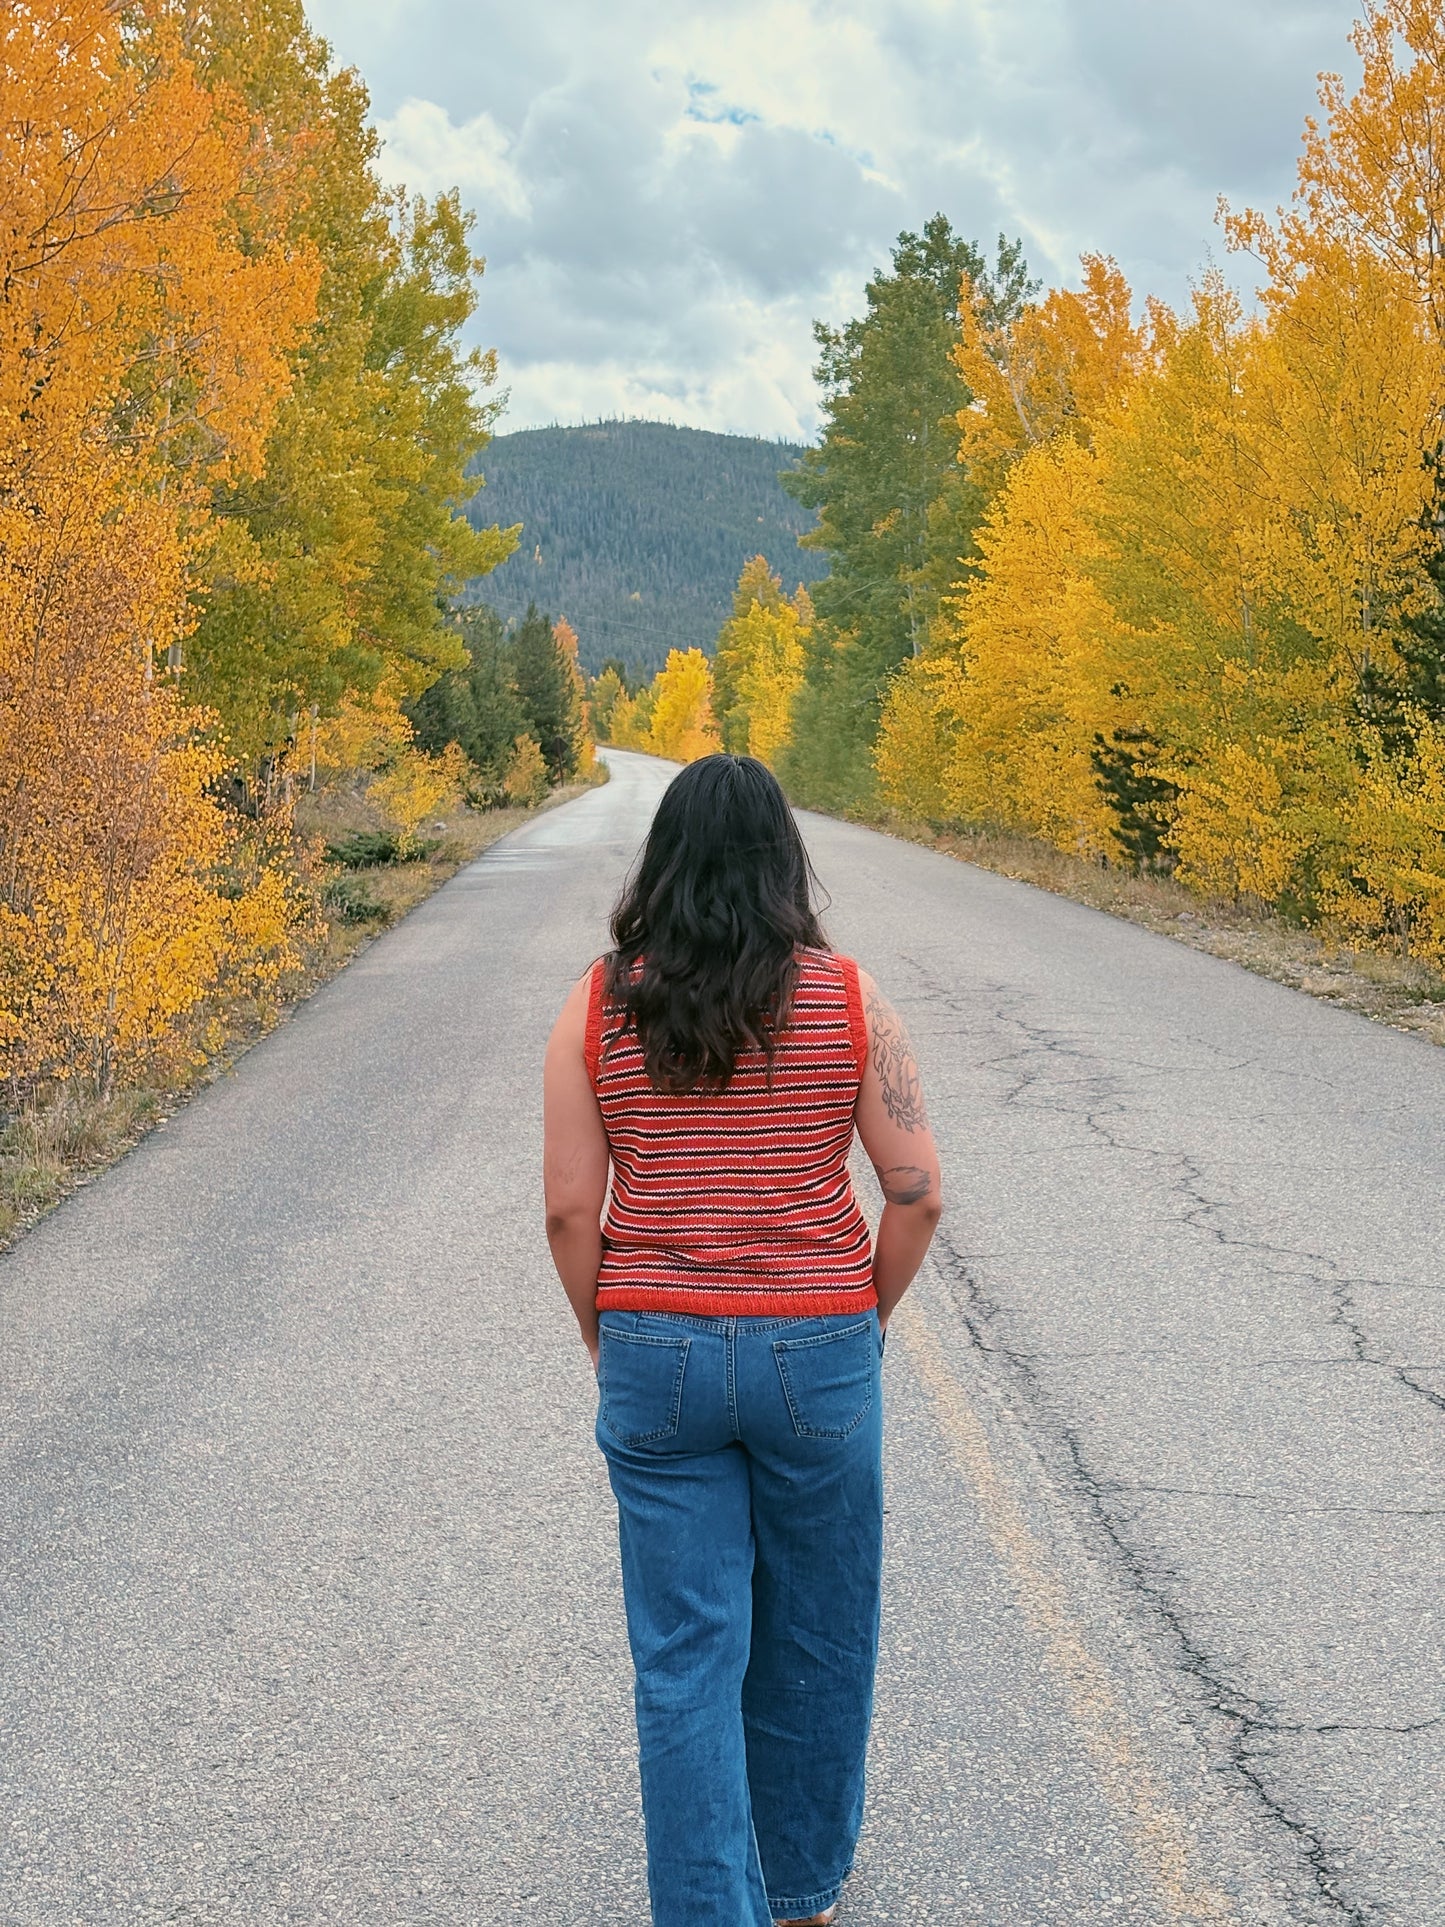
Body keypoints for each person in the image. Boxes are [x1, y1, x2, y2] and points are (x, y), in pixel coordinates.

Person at [543, 754, 942, 1927]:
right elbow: (915, 1192)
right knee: (816, 1628)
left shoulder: (597, 1004)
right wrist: (861, 1316)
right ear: (782, 861)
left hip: (654, 1349)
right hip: (816, 1343)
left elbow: (568, 1210)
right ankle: (798, 1890)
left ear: (661, 860)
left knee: (684, 1655)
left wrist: (605, 1334)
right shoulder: (848, 998)